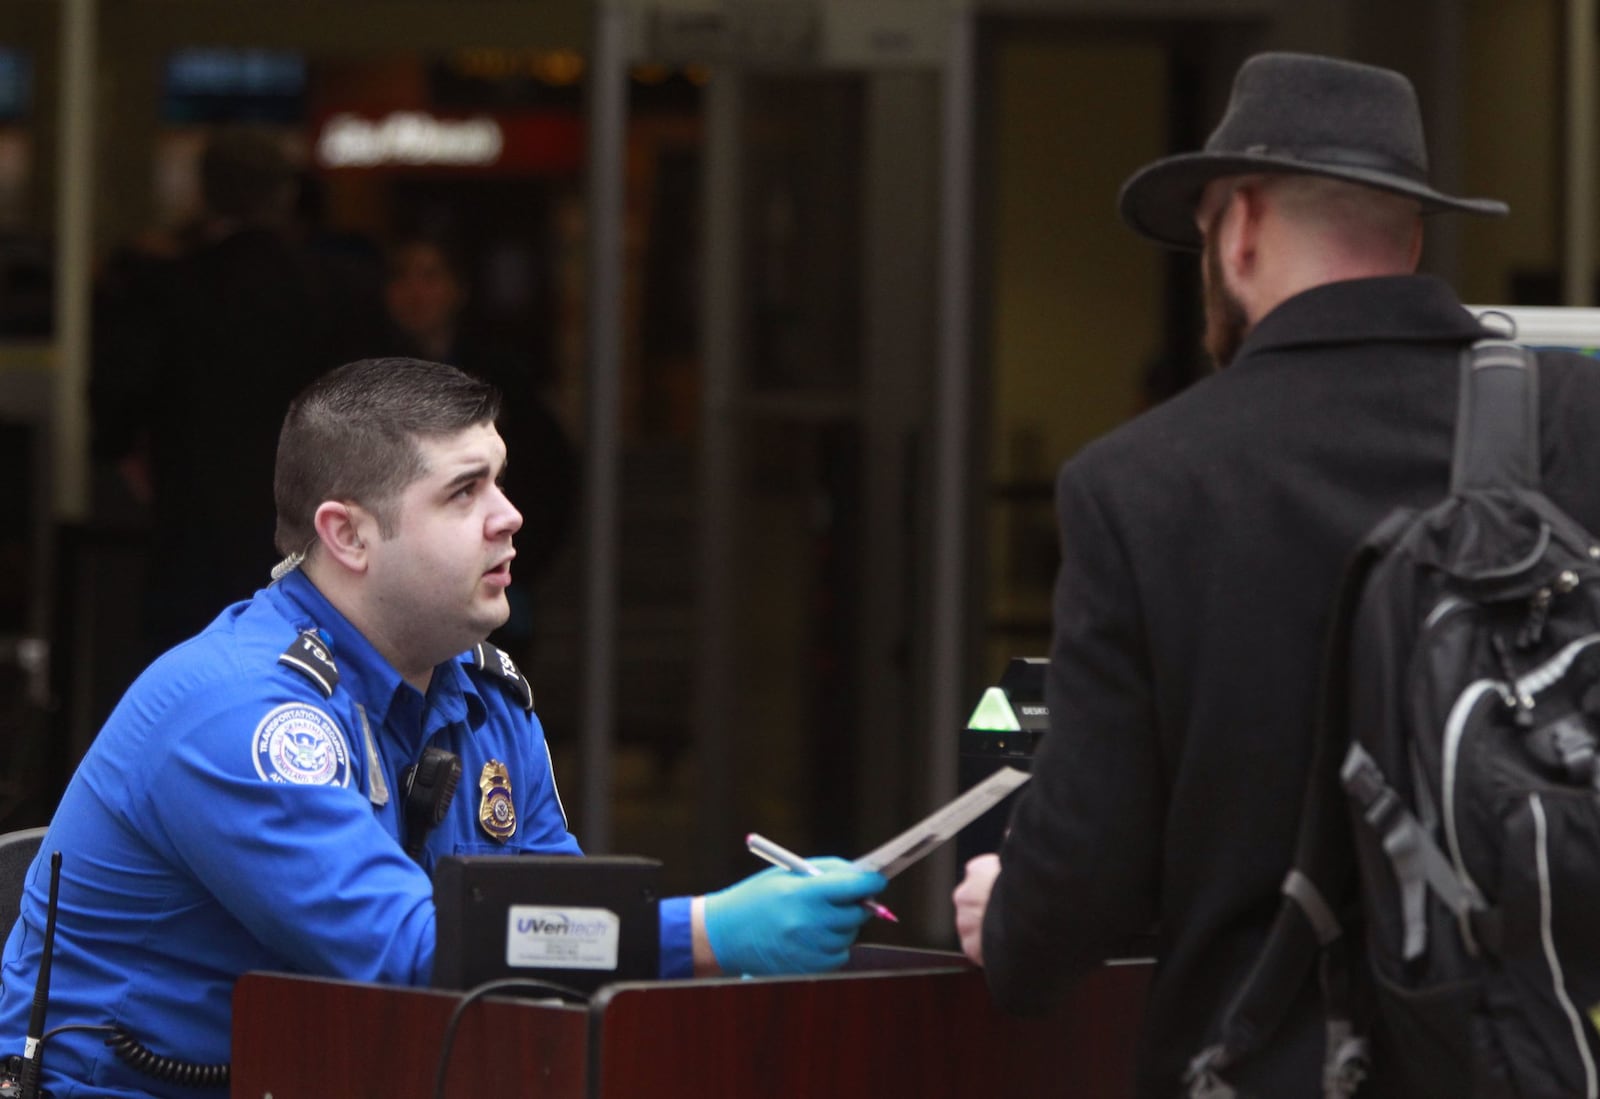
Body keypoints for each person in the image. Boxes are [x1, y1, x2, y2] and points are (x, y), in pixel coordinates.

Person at [950, 51, 1600, 1097]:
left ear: (1239, 225)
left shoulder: (1139, 484)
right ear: (1414, 234)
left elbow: (1082, 874)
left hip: (1266, 1065)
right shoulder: (1571, 420)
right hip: (1534, 1057)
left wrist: (1007, 912)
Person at [0, 358, 887, 1098]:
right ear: (347, 535)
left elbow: (557, 924)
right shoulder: (241, 711)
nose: (510, 516)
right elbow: (406, 952)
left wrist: (679, 947)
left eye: (497, 480)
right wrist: (704, 934)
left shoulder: (481, 696)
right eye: (464, 491)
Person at [90, 128, 387, 660]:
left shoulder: (166, 289)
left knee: (192, 700)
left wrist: (131, 457)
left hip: (191, 543)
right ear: (286, 194)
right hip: (319, 547)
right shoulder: (343, 290)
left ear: (206, 194)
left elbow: (113, 407)